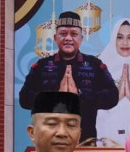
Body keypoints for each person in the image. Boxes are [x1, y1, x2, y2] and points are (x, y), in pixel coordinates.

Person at [19, 11, 118, 142]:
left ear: (81, 38)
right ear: (55, 37)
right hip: (49, 139)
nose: (68, 38)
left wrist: (80, 96)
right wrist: (55, 97)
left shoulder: (95, 65)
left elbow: (113, 96)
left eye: (74, 34)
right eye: (63, 34)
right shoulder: (41, 66)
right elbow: (24, 99)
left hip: (84, 140)